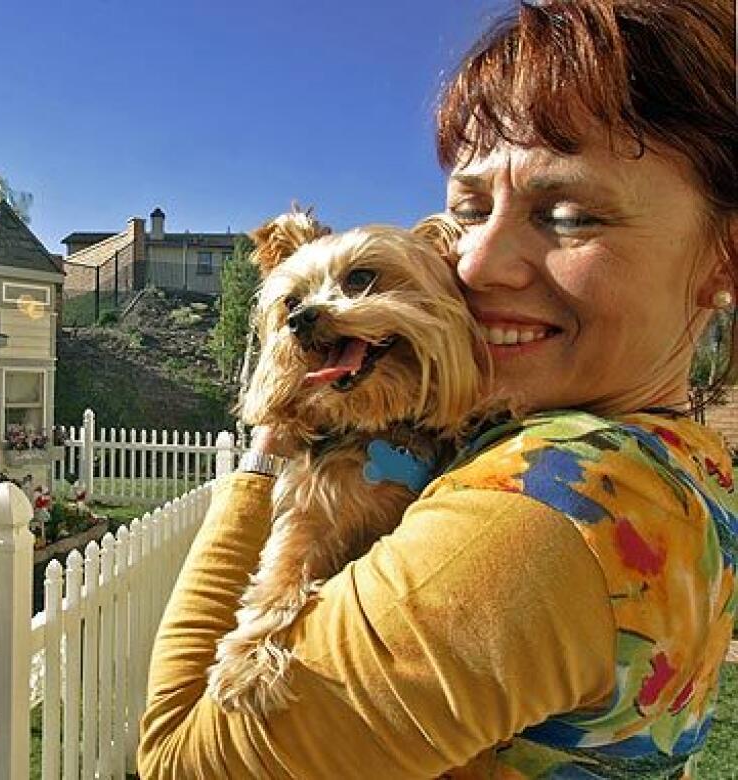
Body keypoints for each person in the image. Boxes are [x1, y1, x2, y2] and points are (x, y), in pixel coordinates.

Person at [137, 1, 737, 777]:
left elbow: (181, 759)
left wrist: (263, 459)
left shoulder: (543, 516)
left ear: (724, 256)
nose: (479, 267)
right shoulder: (685, 463)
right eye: (470, 209)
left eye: (566, 214)